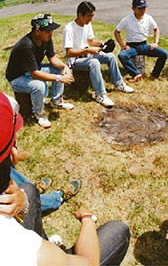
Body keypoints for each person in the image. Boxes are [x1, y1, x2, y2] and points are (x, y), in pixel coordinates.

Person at [0, 91, 131, 266]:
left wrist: (23, 207)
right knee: (118, 231)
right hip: (48, 259)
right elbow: (88, 262)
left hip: (44, 253)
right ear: (13, 156)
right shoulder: (22, 251)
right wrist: (87, 218)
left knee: (29, 191)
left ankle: (48, 242)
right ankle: (56, 238)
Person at [5, 13, 74, 128]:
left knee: (58, 70)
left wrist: (64, 67)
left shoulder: (46, 38)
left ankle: (56, 101)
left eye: (51, 30)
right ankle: (39, 113)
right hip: (17, 78)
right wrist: (59, 78)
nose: (51, 33)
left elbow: (52, 58)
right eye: (48, 31)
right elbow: (35, 74)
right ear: (37, 31)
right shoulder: (25, 46)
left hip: (32, 69)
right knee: (39, 86)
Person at [63, 1, 134, 107]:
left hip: (87, 55)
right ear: (80, 15)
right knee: (94, 62)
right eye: (89, 16)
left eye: (92, 16)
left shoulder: (87, 24)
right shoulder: (69, 29)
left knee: (110, 57)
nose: (91, 19)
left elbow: (91, 42)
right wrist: (88, 50)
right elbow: (69, 53)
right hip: (75, 60)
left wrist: (101, 44)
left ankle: (119, 83)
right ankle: (100, 95)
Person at [114, 0, 168, 81]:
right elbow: (116, 32)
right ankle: (136, 74)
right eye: (140, 8)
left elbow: (156, 29)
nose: (142, 11)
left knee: (164, 53)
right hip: (131, 46)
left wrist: (155, 42)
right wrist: (122, 45)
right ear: (133, 9)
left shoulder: (148, 18)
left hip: (144, 45)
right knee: (122, 55)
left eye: (144, 8)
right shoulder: (126, 20)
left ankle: (155, 74)